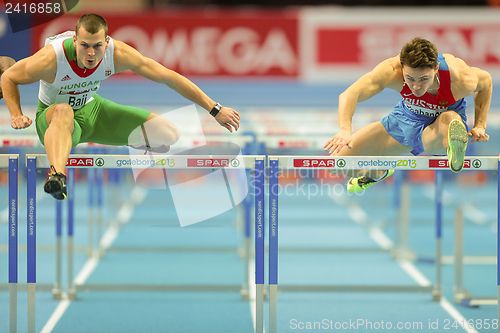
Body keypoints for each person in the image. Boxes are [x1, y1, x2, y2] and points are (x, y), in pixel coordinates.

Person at [1, 14, 241, 200]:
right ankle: (57, 177)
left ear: (107, 42)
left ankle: (135, 140)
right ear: (75, 40)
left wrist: (214, 109)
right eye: (85, 46)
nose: (91, 53)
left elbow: (168, 76)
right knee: (64, 109)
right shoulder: (51, 58)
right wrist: (16, 114)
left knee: (167, 133)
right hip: (56, 121)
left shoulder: (118, 54)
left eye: (97, 46)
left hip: (93, 111)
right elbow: (8, 77)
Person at [323, 37, 491, 193]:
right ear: (402, 68)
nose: (416, 86)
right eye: (410, 78)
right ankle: (377, 173)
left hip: (440, 126)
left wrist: (480, 125)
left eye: (424, 79)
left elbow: (486, 82)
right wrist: (345, 130)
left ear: (436, 68)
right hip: (405, 119)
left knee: (450, 121)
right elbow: (350, 94)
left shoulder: (461, 79)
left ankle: (451, 145)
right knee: (337, 164)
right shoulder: (390, 71)